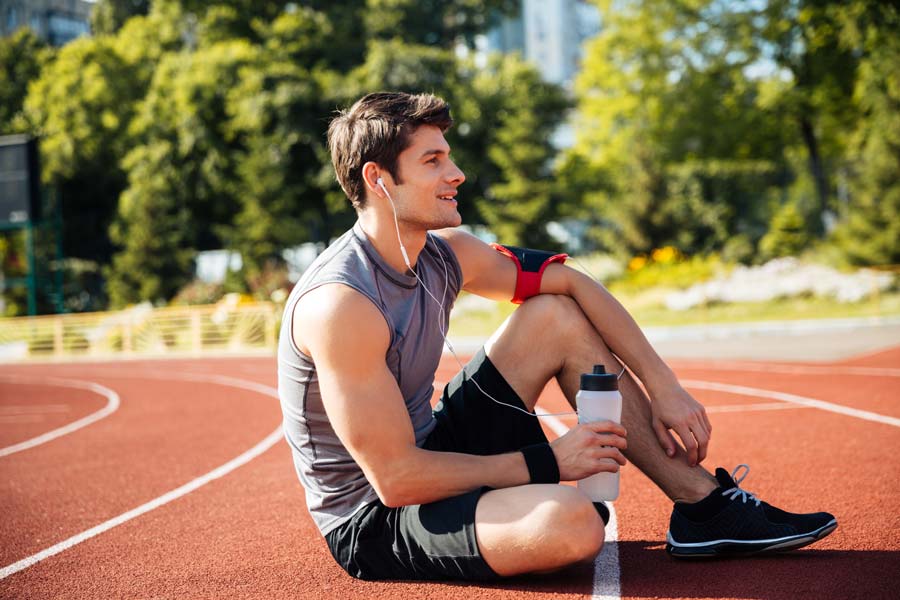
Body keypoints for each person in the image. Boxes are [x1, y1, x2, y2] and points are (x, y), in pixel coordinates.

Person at [277, 91, 837, 581]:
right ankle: (521, 503)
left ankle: (705, 508)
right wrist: (550, 461)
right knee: (571, 524)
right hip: (376, 515)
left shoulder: (445, 254)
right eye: (433, 160)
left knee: (553, 312)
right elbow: (398, 479)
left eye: (448, 157)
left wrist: (663, 384)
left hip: (437, 448)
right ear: (379, 179)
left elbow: (568, 280)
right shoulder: (341, 305)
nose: (457, 174)